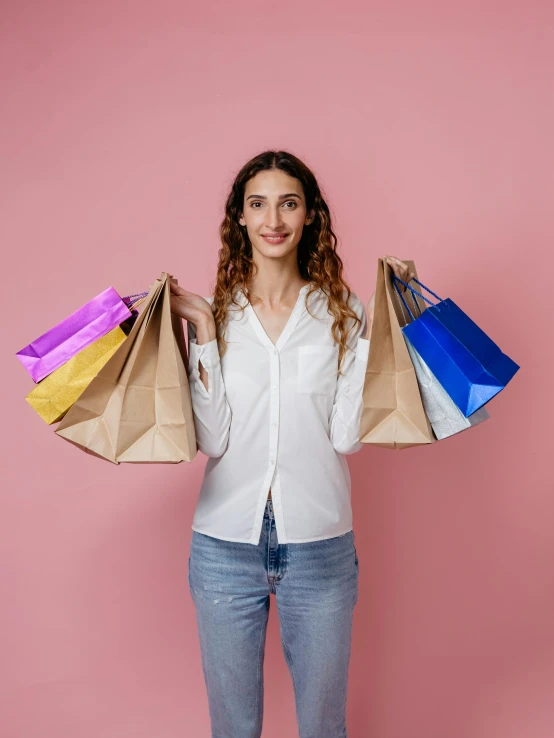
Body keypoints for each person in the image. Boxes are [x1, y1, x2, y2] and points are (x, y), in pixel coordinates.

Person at [169, 150, 414, 738]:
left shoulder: (340, 311)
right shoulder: (219, 316)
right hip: (225, 547)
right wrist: (201, 331)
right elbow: (213, 438)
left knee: (324, 727)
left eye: (288, 202)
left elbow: (347, 436)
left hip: (320, 549)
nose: (273, 218)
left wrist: (376, 327)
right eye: (258, 204)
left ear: (309, 216)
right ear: (240, 218)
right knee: (233, 729)